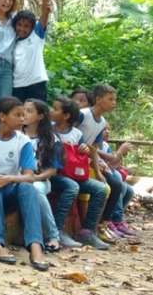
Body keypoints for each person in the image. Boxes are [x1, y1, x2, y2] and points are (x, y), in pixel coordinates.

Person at [0, 97, 48, 271]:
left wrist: (8, 179)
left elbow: (29, 176)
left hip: (10, 187)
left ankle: (35, 245)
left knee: (27, 187)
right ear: (2, 116)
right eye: (17, 115)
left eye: (23, 115)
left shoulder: (22, 141)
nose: (22, 119)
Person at [50, 96, 109, 250]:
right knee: (72, 186)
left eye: (55, 109)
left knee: (100, 188)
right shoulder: (48, 129)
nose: (51, 111)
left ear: (66, 115)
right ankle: (57, 230)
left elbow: (86, 150)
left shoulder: (76, 133)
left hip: (73, 174)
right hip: (55, 174)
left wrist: (85, 149)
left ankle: (87, 231)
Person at [21, 98, 79, 252]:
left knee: (37, 189)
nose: (24, 114)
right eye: (23, 110)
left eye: (29, 111)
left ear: (40, 116)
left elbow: (52, 170)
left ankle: (53, 235)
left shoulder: (50, 138)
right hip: (17, 179)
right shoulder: (16, 134)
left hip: (40, 179)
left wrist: (35, 178)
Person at [77, 84, 124, 244]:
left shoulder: (102, 122)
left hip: (86, 161)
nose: (114, 103)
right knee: (96, 189)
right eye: (110, 99)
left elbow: (94, 149)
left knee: (106, 187)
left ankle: (93, 228)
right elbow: (67, 131)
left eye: (115, 99)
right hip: (71, 161)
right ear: (98, 100)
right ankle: (86, 229)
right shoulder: (83, 115)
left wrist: (97, 171)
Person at [12, 0, 52, 102]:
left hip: (36, 85)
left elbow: (45, 13)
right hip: (17, 87)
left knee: (37, 118)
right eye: (19, 25)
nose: (22, 29)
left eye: (26, 26)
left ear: (32, 28)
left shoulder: (36, 37)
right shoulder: (12, 42)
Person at [100, 122, 137, 237]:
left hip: (109, 173)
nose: (107, 131)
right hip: (101, 174)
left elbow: (114, 165)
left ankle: (117, 220)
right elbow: (110, 166)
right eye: (104, 129)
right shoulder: (95, 145)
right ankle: (112, 219)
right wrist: (120, 151)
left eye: (109, 129)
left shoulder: (105, 145)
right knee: (117, 180)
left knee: (129, 190)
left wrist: (124, 165)